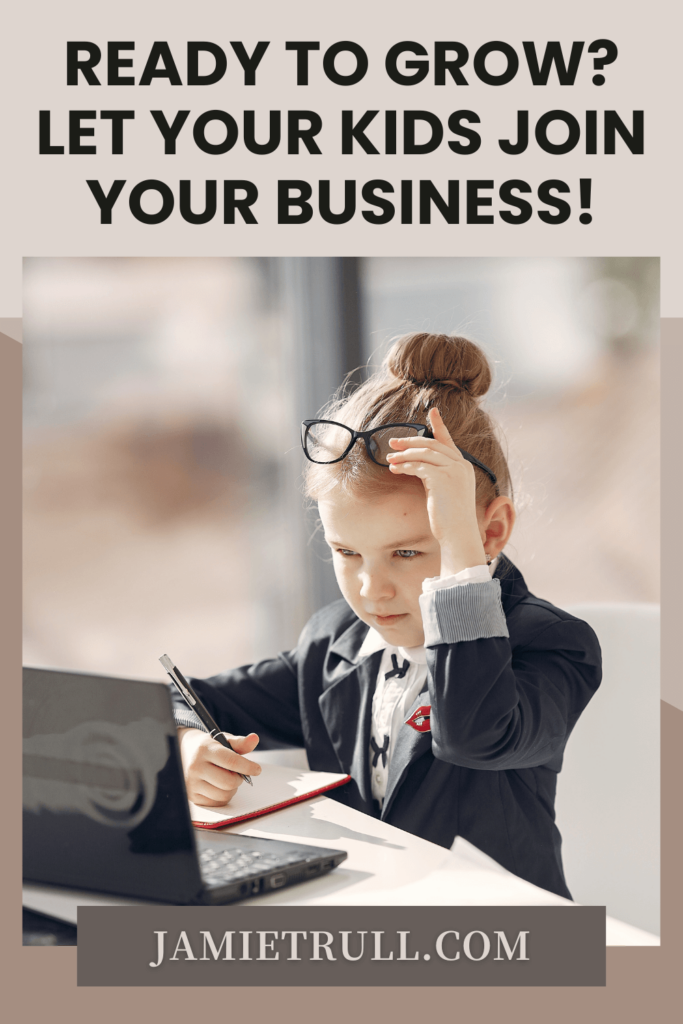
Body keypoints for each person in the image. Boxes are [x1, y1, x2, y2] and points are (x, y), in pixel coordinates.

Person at [172, 332, 601, 899]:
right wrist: (185, 747)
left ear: (490, 532)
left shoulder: (553, 644)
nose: (372, 590)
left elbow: (474, 736)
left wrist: (459, 561)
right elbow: (181, 699)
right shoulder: (334, 643)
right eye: (346, 553)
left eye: (407, 553)